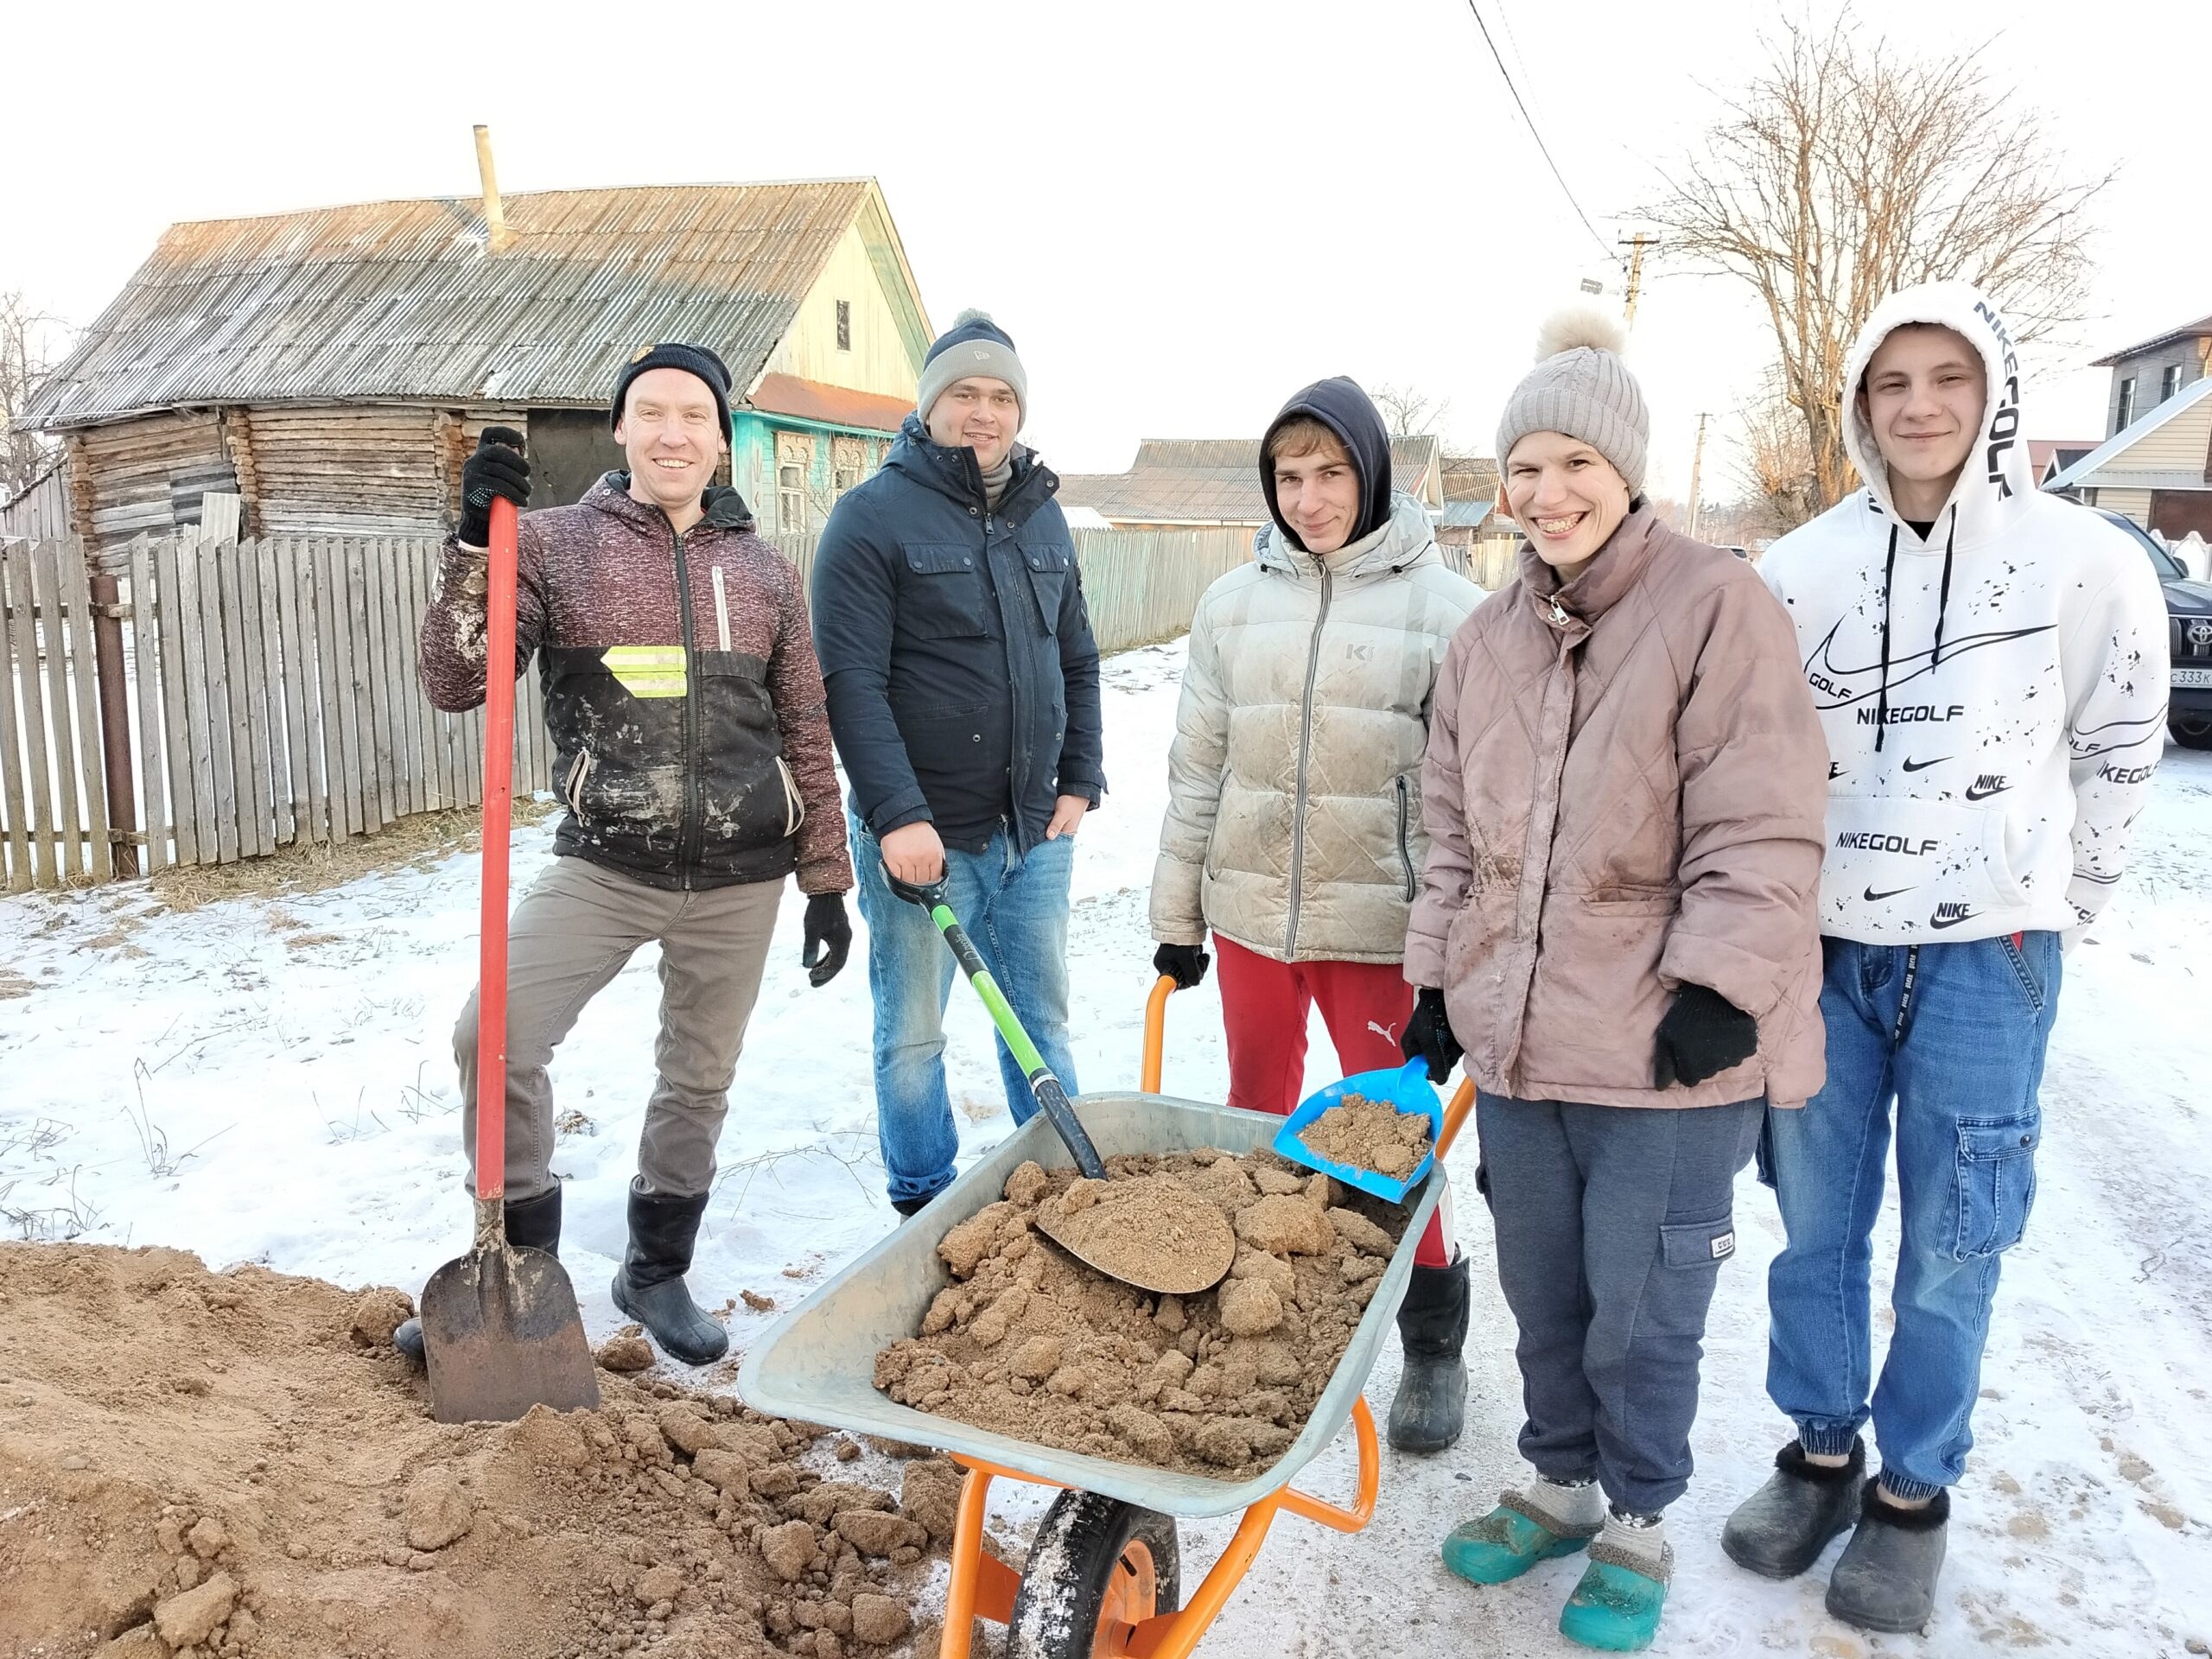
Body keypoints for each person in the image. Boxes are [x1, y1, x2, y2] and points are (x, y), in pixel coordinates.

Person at [1724, 282, 2170, 1633]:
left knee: (1954, 1244)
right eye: (1891, 384)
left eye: (1948, 379)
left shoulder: (2082, 560)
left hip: (1991, 957)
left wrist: (2060, 910)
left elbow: (2122, 743)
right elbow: (1753, 764)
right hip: (1828, 958)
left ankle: (1914, 1493)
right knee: (1815, 1230)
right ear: (1860, 406)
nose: (1919, 407)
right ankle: (1819, 1452)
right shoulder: (1798, 569)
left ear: (1995, 394)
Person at [1402, 309, 1828, 1651]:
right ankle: (1559, 1484)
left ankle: (1639, 1517)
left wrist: (1723, 983)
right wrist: (1435, 984)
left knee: (1645, 1310)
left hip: (1667, 1054)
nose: (1549, 493)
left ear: (1627, 470)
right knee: (1546, 1292)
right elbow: (1452, 836)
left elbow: (1763, 817)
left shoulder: (1718, 606)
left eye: (1576, 463)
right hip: (1522, 1044)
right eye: (1525, 466)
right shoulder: (1483, 639)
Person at [397, 341, 854, 1369]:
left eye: (694, 415)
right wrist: (476, 544)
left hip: (741, 877)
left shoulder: (767, 570)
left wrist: (827, 878)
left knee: (697, 1080)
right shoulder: (556, 546)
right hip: (604, 863)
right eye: (651, 413)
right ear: (620, 428)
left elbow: (806, 726)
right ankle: (521, 1274)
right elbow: (456, 681)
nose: (673, 434)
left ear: (722, 437)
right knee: (495, 1038)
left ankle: (654, 1272)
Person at [1149, 376, 1483, 1452]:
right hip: (1249, 912)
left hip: (1378, 926)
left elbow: (1462, 809)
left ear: (1374, 473)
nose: (1309, 496)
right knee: (1255, 1114)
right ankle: (1266, 1304)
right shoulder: (1230, 604)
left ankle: (1432, 1332)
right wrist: (1177, 915)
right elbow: (1196, 769)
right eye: (1289, 476)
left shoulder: (1450, 613)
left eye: (1331, 472)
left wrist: (1444, 960)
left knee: (1382, 1140)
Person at [811, 310, 1104, 1214]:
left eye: (1002, 397)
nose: (984, 413)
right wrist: (896, 815)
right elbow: (850, 683)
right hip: (922, 842)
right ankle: (921, 1199)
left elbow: (1077, 659)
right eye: (965, 394)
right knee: (913, 1037)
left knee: (1041, 1020)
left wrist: (1080, 779)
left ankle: (1063, 1194)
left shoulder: (1042, 515)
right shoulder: (869, 518)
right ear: (930, 404)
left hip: (1033, 833)